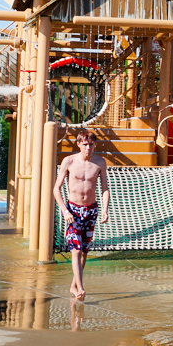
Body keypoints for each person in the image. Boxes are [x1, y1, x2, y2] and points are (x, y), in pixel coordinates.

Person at [53, 127, 110, 301]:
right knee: (76, 250)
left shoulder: (100, 162)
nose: (88, 148)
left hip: (91, 210)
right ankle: (80, 288)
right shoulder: (69, 161)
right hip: (73, 211)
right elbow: (56, 188)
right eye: (85, 144)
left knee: (84, 251)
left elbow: (105, 189)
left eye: (91, 144)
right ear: (78, 144)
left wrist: (105, 210)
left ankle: (73, 284)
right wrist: (64, 210)